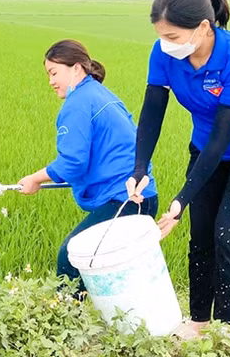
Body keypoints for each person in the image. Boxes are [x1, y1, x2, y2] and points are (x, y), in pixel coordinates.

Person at [127, 0, 230, 334]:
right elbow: (153, 111)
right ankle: (199, 322)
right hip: (205, 148)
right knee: (201, 236)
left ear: (203, 27)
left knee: (228, 235)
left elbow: (222, 140)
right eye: (161, 36)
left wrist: (182, 198)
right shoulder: (165, 53)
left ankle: (224, 333)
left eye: (173, 36)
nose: (166, 44)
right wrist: (140, 168)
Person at [18, 40, 158, 292]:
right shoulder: (99, 94)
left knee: (72, 257)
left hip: (125, 199)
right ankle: (108, 323)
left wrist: (35, 179)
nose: (50, 81)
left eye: (54, 72)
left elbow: (73, 162)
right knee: (118, 271)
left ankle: (67, 322)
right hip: (140, 196)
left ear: (76, 68)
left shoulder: (78, 104)